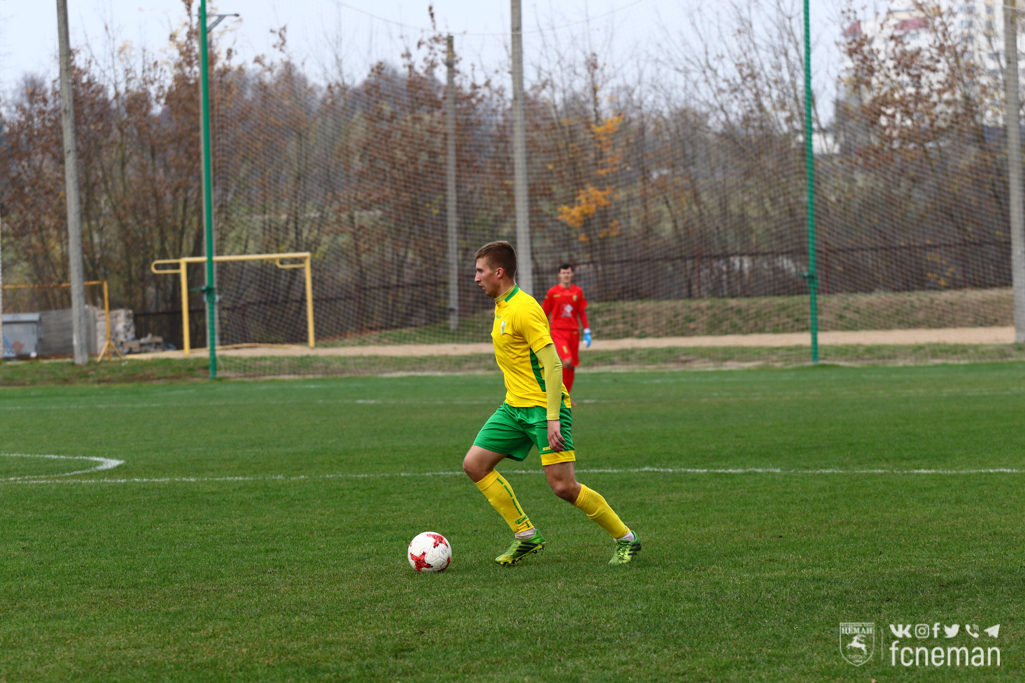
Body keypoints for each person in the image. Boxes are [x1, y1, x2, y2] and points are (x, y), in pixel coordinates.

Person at [463, 241, 640, 566]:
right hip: (513, 409)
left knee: (564, 487)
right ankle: (526, 535)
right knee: (474, 465)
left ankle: (626, 538)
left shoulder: (524, 308)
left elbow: (554, 364)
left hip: (544, 411)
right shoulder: (502, 305)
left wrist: (554, 417)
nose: (476, 278)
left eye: (480, 271)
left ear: (498, 272)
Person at [541, 264, 590, 394]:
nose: (566, 275)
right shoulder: (552, 292)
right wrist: (542, 330)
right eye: (563, 273)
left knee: (572, 365)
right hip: (558, 332)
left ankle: (567, 395)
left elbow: (582, 312)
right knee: (567, 360)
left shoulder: (578, 291)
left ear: (572, 274)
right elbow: (545, 312)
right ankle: (559, 393)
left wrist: (587, 331)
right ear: (559, 275)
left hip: (574, 332)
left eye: (568, 272)